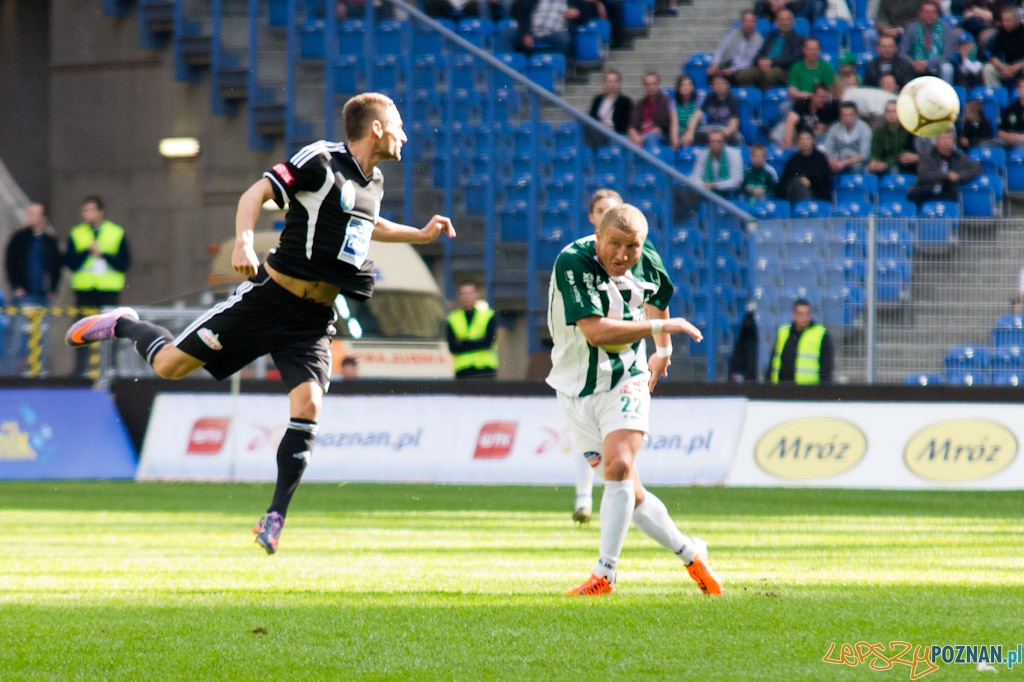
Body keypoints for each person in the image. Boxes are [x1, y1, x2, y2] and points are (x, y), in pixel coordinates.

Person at [64, 92, 456, 555]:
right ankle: (126, 323)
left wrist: (419, 234)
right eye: (399, 125)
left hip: (312, 320)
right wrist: (243, 243)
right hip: (268, 300)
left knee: (309, 403)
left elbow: (368, 224)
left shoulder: (375, 181)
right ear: (376, 128)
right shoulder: (320, 160)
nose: (404, 135)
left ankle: (275, 517)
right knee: (169, 366)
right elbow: (257, 193)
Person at [547, 202, 721, 597]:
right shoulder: (573, 261)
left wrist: (663, 349)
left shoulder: (647, 256)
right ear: (598, 236)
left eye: (632, 247)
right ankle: (691, 554)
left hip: (626, 375)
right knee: (630, 492)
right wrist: (663, 327)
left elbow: (656, 293)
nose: (623, 255)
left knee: (620, 465)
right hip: (574, 386)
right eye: (614, 244)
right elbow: (595, 332)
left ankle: (604, 574)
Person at [571, 187, 622, 525]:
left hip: (621, 360)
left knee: (617, 437)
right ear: (592, 217)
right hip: (585, 356)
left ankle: (616, 496)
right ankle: (584, 498)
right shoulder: (578, 256)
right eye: (601, 210)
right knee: (587, 433)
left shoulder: (634, 255)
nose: (606, 215)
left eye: (612, 210)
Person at [64, 195, 132, 378]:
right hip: (85, 291)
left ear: (100, 212)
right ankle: (81, 369)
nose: (86, 214)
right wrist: (88, 252)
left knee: (110, 330)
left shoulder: (115, 232)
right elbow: (70, 262)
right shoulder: (77, 233)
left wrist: (104, 254)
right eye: (84, 210)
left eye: (90, 210)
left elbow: (124, 263)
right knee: (82, 329)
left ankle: (110, 367)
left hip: (108, 291)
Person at [3, 203, 62, 377]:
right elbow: (10, 263)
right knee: (15, 337)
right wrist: (17, 287)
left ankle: (39, 374)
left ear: (44, 218)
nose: (30, 217)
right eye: (29, 214)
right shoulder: (19, 238)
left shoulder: (50, 241)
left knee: (43, 337)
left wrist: (52, 289)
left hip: (43, 296)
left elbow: (56, 267)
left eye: (35, 214)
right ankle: (9, 376)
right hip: (24, 295)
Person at [907, 128, 983, 205]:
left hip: (947, 194)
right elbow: (923, 175)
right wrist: (946, 175)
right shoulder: (927, 155)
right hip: (926, 191)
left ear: (954, 142)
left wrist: (959, 176)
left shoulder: (959, 157)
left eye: (949, 138)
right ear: (936, 141)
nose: (946, 141)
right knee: (914, 195)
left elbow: (978, 169)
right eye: (943, 138)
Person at [734, 9, 803, 90]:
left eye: (787, 19)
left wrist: (771, 62)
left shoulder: (798, 39)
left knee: (769, 75)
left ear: (793, 22)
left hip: (782, 69)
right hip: (764, 66)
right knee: (742, 76)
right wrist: (761, 62)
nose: (785, 22)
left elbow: (793, 58)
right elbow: (760, 53)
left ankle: (763, 95)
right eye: (782, 20)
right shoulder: (770, 36)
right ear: (777, 22)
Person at [768, 298, 833, 384]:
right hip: (781, 386)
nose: (804, 317)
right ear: (793, 315)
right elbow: (773, 361)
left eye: (807, 313)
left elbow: (826, 366)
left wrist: (823, 387)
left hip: (809, 388)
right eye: (801, 314)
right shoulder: (783, 332)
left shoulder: (820, 334)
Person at [447, 281, 498, 380]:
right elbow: (453, 347)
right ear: (459, 296)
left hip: (485, 370)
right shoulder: (453, 319)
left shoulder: (488, 316)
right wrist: (479, 341)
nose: (468, 297)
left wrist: (463, 342)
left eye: (470, 293)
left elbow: (488, 342)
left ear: (476, 294)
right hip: (463, 371)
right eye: (464, 293)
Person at [899, 0, 956, 84]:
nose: (930, 15)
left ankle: (945, 91)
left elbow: (948, 55)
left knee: (947, 68)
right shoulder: (912, 28)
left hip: (936, 65)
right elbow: (903, 53)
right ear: (920, 14)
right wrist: (913, 63)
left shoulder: (945, 28)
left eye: (933, 12)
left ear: (937, 14)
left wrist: (928, 63)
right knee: (903, 67)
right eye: (927, 12)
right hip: (914, 65)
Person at [706, 11, 764, 83]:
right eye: (747, 21)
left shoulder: (759, 39)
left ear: (756, 23)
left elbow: (748, 61)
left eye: (752, 21)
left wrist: (731, 70)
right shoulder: (733, 33)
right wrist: (715, 63)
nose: (749, 24)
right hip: (727, 64)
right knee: (710, 72)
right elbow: (722, 49)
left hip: (741, 69)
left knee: (725, 77)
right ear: (742, 23)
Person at [778, 128, 833, 202]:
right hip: (794, 194)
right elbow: (785, 181)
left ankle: (806, 206)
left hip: (816, 194)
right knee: (798, 182)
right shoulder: (793, 159)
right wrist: (800, 179)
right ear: (798, 141)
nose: (805, 142)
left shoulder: (820, 158)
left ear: (813, 140)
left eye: (808, 139)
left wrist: (810, 182)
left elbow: (825, 182)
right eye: (802, 139)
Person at [502, 0, 573, 56]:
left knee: (564, 39)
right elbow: (522, 12)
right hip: (532, 29)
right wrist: (525, 33)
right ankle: (507, 66)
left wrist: (577, 12)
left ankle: (555, 65)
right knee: (507, 33)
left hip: (555, 32)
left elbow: (580, 10)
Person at [779, 82, 838, 148]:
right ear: (813, 96)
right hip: (797, 134)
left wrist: (803, 142)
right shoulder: (802, 103)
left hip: (812, 139)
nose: (824, 100)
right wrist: (788, 142)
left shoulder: (827, 108)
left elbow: (818, 131)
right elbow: (791, 121)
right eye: (822, 97)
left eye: (826, 97)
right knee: (782, 129)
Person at [868, 100, 920, 174]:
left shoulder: (908, 131)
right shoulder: (879, 132)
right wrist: (873, 160)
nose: (891, 114)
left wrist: (886, 164)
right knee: (867, 169)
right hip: (882, 163)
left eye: (894, 111)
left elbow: (903, 154)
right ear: (884, 114)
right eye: (888, 112)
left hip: (899, 164)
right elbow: (875, 150)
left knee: (893, 169)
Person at [822, 101, 873, 174]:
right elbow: (828, 149)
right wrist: (832, 163)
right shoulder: (834, 128)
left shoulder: (865, 129)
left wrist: (844, 163)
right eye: (844, 115)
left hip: (858, 165)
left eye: (851, 115)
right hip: (838, 162)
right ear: (840, 116)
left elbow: (864, 154)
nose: (848, 118)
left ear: (856, 115)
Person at [586, 68, 633, 147]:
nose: (612, 84)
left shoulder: (626, 102)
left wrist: (610, 126)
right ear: (604, 83)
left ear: (620, 84)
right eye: (610, 81)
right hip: (599, 131)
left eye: (615, 81)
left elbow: (627, 123)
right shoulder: (597, 100)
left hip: (615, 133)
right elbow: (591, 118)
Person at [689, 129, 744, 195]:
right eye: (712, 141)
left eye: (718, 141)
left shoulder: (734, 155)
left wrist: (715, 185)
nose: (715, 144)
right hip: (706, 192)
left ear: (724, 142)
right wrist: (704, 185)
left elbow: (737, 180)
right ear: (708, 144)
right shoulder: (703, 155)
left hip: (728, 194)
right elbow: (695, 177)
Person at [981, 5, 1024, 89]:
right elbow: (993, 56)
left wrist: (1016, 67)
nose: (1005, 23)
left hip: (1021, 66)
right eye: (1004, 20)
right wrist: (1003, 67)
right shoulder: (1001, 33)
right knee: (988, 69)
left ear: (1017, 20)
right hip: (1006, 67)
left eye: (1008, 20)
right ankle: (997, 94)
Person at [628, 72, 673, 148]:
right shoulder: (640, 104)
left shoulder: (666, 101)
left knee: (651, 137)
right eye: (648, 85)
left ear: (658, 85)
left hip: (660, 136)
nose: (651, 87)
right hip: (640, 136)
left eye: (654, 84)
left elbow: (663, 127)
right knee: (624, 140)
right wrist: (635, 136)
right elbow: (632, 125)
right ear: (644, 87)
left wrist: (644, 137)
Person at [981, 76, 1024, 151]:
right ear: (1018, 89)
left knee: (1020, 146)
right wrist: (1007, 136)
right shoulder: (1011, 108)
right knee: (984, 144)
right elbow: (999, 131)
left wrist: (1017, 137)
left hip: (1021, 140)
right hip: (1007, 140)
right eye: (1022, 87)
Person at [787, 37, 836, 102]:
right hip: (800, 101)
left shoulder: (826, 67)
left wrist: (814, 97)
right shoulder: (796, 67)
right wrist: (812, 95)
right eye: (809, 49)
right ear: (803, 50)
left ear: (820, 50)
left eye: (816, 49)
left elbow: (829, 91)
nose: (813, 52)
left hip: (820, 102)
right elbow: (793, 93)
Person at [670, 75, 700, 150]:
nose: (687, 87)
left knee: (686, 140)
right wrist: (675, 139)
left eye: (689, 84)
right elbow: (674, 124)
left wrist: (688, 133)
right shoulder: (673, 103)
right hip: (681, 133)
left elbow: (695, 121)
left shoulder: (699, 101)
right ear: (679, 88)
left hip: (696, 131)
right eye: (683, 85)